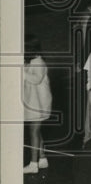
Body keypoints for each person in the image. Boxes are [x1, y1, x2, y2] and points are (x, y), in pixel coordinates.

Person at [22, 34, 52, 174]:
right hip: (34, 103)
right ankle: (42, 158)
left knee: (33, 132)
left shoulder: (38, 62)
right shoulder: (31, 61)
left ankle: (33, 165)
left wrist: (21, 72)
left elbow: (36, 79)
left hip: (39, 105)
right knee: (36, 131)